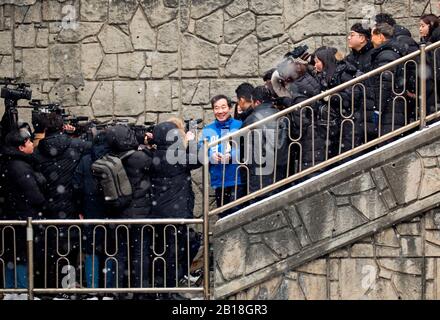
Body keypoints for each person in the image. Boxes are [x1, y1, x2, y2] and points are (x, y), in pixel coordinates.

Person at [148, 118, 201, 298]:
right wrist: (192, 139)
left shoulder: (151, 156)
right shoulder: (176, 156)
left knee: (160, 252)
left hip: (156, 213)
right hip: (175, 213)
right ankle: (169, 292)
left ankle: (159, 290)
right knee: (172, 254)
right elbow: (197, 159)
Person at [0, 130, 46, 293]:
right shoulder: (20, 167)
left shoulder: (10, 163)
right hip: (23, 218)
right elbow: (35, 196)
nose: (32, 144)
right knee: (21, 256)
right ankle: (20, 290)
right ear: (20, 147)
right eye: (28, 142)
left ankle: (10, 289)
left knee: (12, 256)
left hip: (12, 217)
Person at [200, 95, 244, 218]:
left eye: (223, 107)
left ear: (230, 108)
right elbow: (200, 150)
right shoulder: (207, 130)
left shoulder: (239, 125)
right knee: (223, 217)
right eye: (216, 108)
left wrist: (231, 156)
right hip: (219, 181)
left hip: (238, 179)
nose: (220, 111)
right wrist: (210, 155)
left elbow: (247, 148)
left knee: (238, 216)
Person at [242, 86, 289, 199]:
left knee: (259, 204)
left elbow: (239, 141)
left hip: (260, 168)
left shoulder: (252, 119)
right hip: (280, 167)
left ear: (256, 102)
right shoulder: (282, 115)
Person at [368, 23, 406, 137]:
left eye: (372, 36)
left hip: (389, 108)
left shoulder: (387, 54)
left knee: (387, 140)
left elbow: (385, 83)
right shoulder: (387, 52)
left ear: (380, 36)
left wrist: (378, 108)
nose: (371, 40)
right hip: (391, 106)